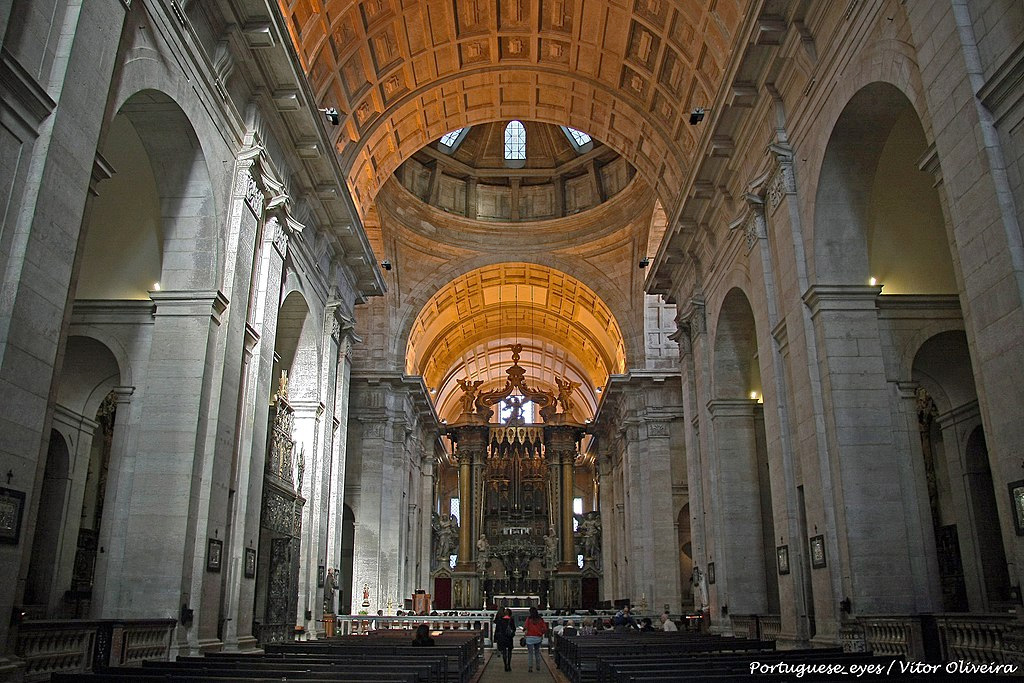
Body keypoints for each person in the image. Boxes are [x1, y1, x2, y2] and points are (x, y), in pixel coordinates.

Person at [523, 606, 548, 673]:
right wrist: (541, 633)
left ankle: (530, 667)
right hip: (538, 637)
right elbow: (545, 629)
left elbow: (525, 627)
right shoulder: (540, 619)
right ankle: (538, 666)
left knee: (530, 653)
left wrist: (525, 631)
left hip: (529, 638)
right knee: (537, 652)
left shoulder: (529, 619)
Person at [493, 606, 516, 671]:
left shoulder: (500, 620)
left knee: (504, 652)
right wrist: (512, 634)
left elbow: (497, 630)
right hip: (509, 638)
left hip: (502, 637)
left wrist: (495, 638)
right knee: (509, 652)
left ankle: (505, 665)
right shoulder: (511, 619)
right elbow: (514, 628)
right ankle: (509, 664)